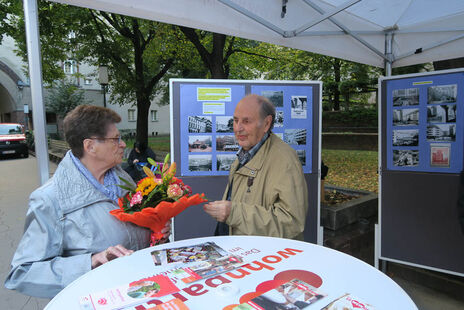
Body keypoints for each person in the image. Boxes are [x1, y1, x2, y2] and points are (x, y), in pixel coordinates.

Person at [4, 105, 170, 298]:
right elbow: (22, 273)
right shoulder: (49, 199)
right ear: (90, 146)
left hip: (139, 293)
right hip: (97, 300)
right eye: (116, 139)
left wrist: (156, 231)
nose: (124, 144)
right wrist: (90, 261)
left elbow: (132, 234)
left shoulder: (123, 178)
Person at [203, 94, 308, 240]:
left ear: (266, 124)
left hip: (263, 257)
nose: (238, 128)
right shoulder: (246, 151)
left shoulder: (285, 160)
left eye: (246, 121)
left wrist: (232, 213)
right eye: (235, 120)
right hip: (237, 248)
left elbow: (291, 222)